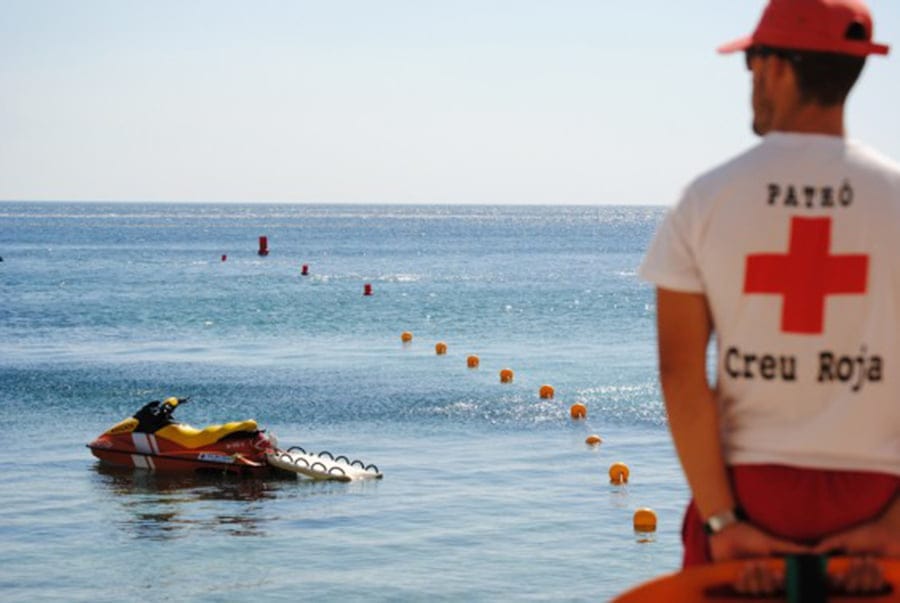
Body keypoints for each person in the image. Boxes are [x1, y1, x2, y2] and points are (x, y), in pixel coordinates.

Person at [638, 0, 900, 586]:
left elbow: (680, 374)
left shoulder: (707, 200)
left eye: (752, 61)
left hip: (752, 495)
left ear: (776, 67)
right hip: (879, 496)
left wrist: (722, 520)